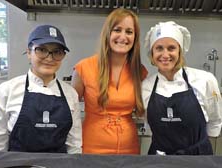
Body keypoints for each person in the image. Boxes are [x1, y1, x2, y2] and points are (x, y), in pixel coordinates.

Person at [0, 25, 82, 153]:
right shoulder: (6, 91)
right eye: (42, 50)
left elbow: (74, 145)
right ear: (28, 53)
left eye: (57, 52)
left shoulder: (70, 94)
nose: (49, 58)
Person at [71, 8, 147, 154]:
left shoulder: (140, 71)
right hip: (91, 147)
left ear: (135, 38)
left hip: (129, 149)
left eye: (129, 32)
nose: (123, 37)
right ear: (108, 33)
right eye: (117, 30)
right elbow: (69, 113)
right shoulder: (83, 68)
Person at [142, 21, 222, 155]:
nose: (165, 54)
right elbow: (150, 126)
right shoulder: (146, 86)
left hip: (198, 158)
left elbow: (215, 122)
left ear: (180, 50)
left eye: (171, 48)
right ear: (152, 53)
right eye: (159, 48)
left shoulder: (205, 80)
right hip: (159, 160)